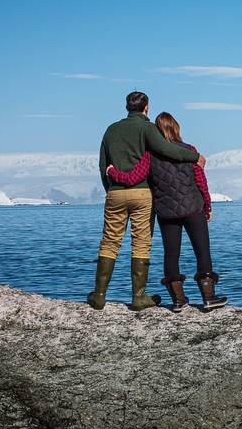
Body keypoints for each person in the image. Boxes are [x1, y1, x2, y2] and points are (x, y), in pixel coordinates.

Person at [87, 92, 205, 311]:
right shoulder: (148, 128)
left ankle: (99, 295)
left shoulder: (111, 130)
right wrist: (193, 157)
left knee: (110, 241)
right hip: (142, 193)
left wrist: (110, 189)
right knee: (141, 243)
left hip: (115, 193)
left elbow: (103, 165)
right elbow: (166, 149)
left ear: (126, 107)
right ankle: (139, 297)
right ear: (146, 108)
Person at [105, 112, 228, 312]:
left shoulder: (149, 156)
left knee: (171, 254)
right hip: (193, 208)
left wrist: (112, 172)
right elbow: (201, 183)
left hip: (166, 212)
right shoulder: (190, 151)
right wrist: (208, 206)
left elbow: (132, 178)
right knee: (202, 251)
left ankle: (178, 301)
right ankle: (209, 298)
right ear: (176, 128)